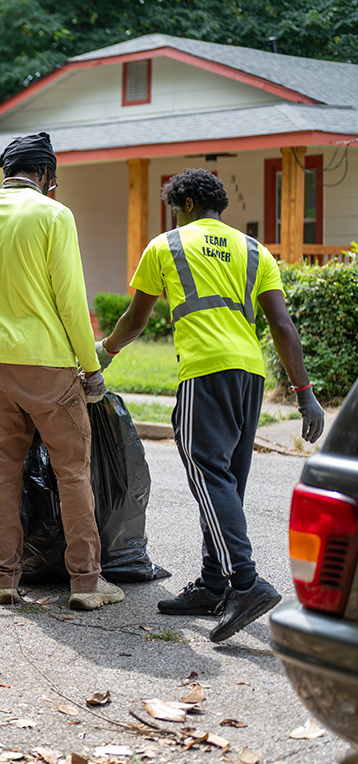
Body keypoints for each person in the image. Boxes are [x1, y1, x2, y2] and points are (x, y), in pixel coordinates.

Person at [96, 167, 324, 642]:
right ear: (219, 206)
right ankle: (214, 583)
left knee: (207, 475)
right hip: (249, 374)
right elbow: (282, 325)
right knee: (224, 483)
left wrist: (105, 351)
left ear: (184, 205)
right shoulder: (254, 250)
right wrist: (306, 394)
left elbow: (137, 319)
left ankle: (246, 582)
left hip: (205, 370)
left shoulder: (167, 244)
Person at [0, 132, 125, 611]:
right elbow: (70, 301)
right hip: (50, 365)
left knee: (4, 472)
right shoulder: (55, 215)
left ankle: (5, 580)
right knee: (72, 472)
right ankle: (86, 584)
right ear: (46, 175)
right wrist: (91, 367)